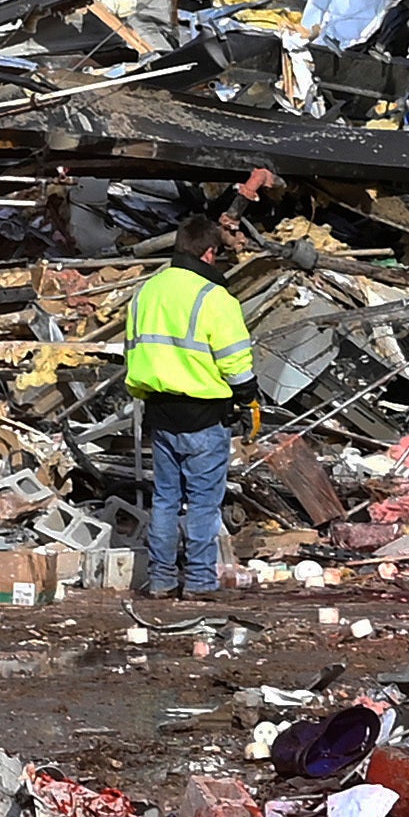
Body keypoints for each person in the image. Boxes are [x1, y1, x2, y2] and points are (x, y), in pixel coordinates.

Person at [121, 211, 261, 597]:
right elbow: (234, 359)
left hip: (160, 410)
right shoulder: (214, 297)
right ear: (210, 254)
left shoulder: (146, 291)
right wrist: (247, 394)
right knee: (203, 503)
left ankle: (162, 579)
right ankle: (199, 581)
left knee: (165, 500)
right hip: (204, 413)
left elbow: (133, 349)